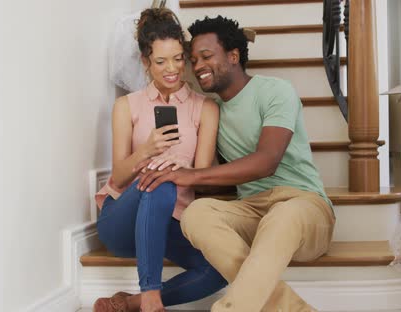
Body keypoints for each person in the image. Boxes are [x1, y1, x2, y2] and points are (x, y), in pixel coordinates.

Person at [136, 16, 336, 312]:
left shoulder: (275, 91)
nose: (198, 66)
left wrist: (191, 176)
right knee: (198, 214)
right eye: (193, 60)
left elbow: (266, 161)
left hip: (303, 206)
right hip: (251, 210)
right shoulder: (210, 111)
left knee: (282, 216)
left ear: (233, 56)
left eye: (206, 56)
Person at [93, 8, 226, 312]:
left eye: (178, 58)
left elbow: (202, 176)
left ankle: (132, 303)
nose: (172, 69)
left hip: (172, 221)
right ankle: (151, 294)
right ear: (145, 61)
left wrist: (182, 171)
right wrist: (146, 151)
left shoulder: (205, 108)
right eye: (161, 61)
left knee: (218, 270)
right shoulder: (127, 106)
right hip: (122, 221)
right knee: (159, 183)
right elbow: (121, 176)